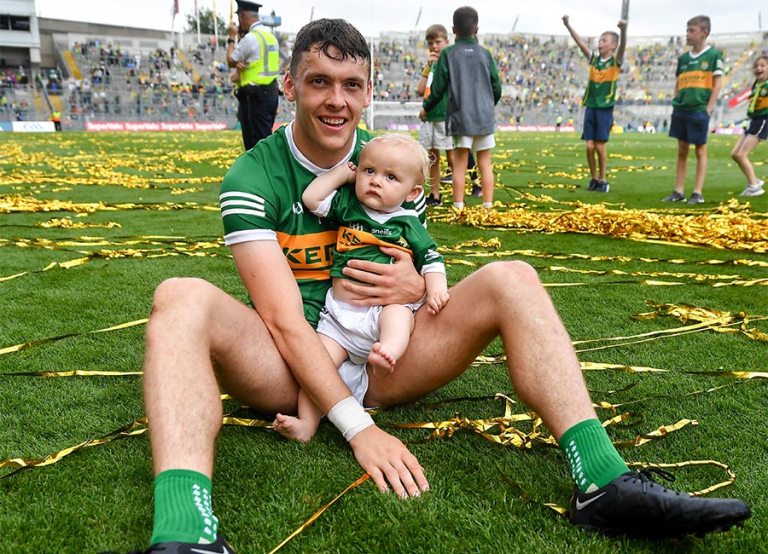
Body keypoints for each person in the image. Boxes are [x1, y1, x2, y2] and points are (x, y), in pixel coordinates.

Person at [139, 17, 750, 553]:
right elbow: (280, 321)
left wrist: (413, 283)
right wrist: (361, 430)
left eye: (351, 85)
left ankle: (603, 483)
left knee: (513, 276)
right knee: (179, 295)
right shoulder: (253, 174)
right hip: (292, 366)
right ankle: (185, 533)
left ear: (369, 92)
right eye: (319, 81)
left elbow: (417, 264)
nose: (335, 100)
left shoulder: (392, 162)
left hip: (386, 353)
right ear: (290, 86)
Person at [272, 134, 449, 443]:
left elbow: (431, 257)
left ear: (413, 192)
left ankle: (386, 354)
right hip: (338, 319)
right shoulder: (348, 204)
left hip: (380, 313)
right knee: (315, 366)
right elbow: (312, 199)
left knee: (399, 317)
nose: (375, 181)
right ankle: (306, 425)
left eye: (391, 177)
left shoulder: (407, 222)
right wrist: (342, 174)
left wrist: (434, 288)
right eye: (369, 171)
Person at [419, 7, 501, 211]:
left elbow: (437, 88)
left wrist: (426, 107)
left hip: (459, 115)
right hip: (483, 116)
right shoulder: (485, 54)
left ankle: (458, 205)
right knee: (484, 159)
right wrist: (488, 106)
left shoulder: (449, 53)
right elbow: (496, 87)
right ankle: (488, 206)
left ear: (453, 29)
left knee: (460, 161)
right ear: (477, 29)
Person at [562, 15, 628, 193]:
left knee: (600, 146)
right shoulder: (594, 60)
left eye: (604, 40)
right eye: (599, 40)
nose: (600, 43)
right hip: (591, 106)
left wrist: (622, 30)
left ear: (612, 45)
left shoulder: (615, 61)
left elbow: (622, 47)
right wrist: (568, 25)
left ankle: (603, 179)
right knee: (589, 146)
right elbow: (580, 43)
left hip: (605, 108)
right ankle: (593, 178)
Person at [662, 15, 724, 204]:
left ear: (704, 33)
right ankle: (678, 191)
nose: (687, 34)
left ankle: (697, 192)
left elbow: (717, 83)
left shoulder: (713, 56)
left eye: (691, 30)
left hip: (699, 109)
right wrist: (675, 99)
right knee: (681, 150)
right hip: (681, 108)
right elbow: (678, 81)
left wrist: (709, 108)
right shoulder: (683, 59)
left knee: (700, 150)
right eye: (687, 30)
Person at [226, 0, 279, 150]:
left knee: (254, 144)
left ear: (242, 15)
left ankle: (260, 172)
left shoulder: (251, 38)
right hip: (271, 92)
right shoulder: (270, 37)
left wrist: (231, 38)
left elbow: (231, 60)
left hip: (255, 95)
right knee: (265, 138)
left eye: (239, 17)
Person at [416, 24, 454, 207]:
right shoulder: (431, 64)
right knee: (432, 158)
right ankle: (435, 194)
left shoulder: (449, 62)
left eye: (438, 42)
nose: (434, 46)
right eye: (430, 43)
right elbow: (420, 90)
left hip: (444, 116)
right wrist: (429, 66)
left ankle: (459, 194)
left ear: (447, 41)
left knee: (453, 157)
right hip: (429, 117)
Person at [731, 55, 767, 197]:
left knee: (741, 154)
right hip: (753, 120)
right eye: (756, 66)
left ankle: (754, 187)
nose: (758, 68)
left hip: (762, 120)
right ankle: (754, 181)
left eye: (763, 65)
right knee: (735, 154)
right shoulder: (756, 84)